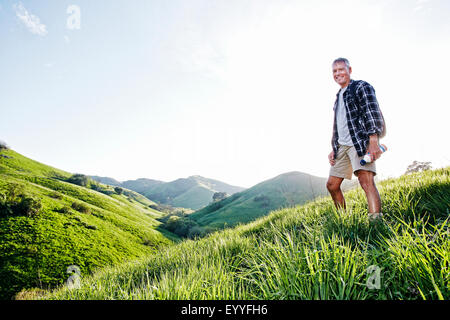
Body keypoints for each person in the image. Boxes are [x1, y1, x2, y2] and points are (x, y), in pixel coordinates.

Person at [326, 57, 386, 220]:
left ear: (349, 70)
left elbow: (371, 112)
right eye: (334, 71)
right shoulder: (338, 96)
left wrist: (373, 141)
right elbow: (339, 125)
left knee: (366, 182)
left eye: (341, 69)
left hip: (359, 142)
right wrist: (334, 148)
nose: (338, 73)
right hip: (342, 146)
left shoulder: (361, 86)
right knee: (332, 185)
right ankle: (343, 220)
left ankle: (376, 224)